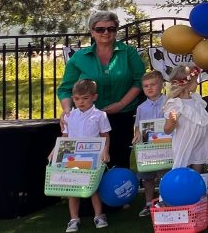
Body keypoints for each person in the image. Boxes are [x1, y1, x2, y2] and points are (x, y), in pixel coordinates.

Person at [58, 11, 145, 170]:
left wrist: (121, 104)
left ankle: (119, 186)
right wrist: (67, 110)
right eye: (100, 29)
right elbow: (65, 89)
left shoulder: (128, 53)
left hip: (122, 115)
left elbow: (140, 81)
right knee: (88, 163)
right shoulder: (79, 57)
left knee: (119, 161)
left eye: (111, 29)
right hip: (88, 119)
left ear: (116, 31)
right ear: (92, 32)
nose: (106, 32)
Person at [58, 80, 111, 232]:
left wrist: (105, 150)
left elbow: (105, 136)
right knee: (73, 189)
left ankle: (99, 215)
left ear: (94, 97)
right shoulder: (69, 116)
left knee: (93, 188)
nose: (80, 102)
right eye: (77, 98)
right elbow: (65, 136)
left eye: (85, 98)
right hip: (72, 158)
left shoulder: (100, 115)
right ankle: (74, 219)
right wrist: (55, 150)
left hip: (93, 158)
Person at [163, 65, 208, 173]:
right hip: (185, 141)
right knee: (183, 166)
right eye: (195, 81)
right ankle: (182, 181)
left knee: (199, 164)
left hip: (201, 141)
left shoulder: (196, 99)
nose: (197, 83)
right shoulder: (176, 104)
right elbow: (167, 130)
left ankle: (198, 181)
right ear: (185, 83)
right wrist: (172, 121)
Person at [131, 70, 166, 217]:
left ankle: (165, 201)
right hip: (148, 149)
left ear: (162, 85)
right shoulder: (141, 108)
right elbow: (138, 126)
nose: (149, 88)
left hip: (165, 147)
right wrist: (137, 134)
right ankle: (148, 203)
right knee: (148, 177)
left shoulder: (169, 102)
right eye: (146, 86)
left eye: (153, 84)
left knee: (165, 175)